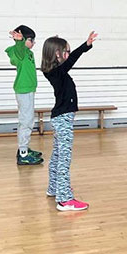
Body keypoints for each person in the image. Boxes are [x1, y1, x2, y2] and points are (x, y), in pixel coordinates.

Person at [41, 30, 98, 212]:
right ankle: (64, 199)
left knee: (57, 156)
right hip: (63, 119)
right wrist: (85, 46)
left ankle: (54, 188)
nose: (68, 54)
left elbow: (69, 58)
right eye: (66, 51)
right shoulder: (57, 71)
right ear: (58, 54)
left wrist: (84, 45)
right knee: (64, 158)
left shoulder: (56, 71)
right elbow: (72, 58)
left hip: (61, 118)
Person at [6, 25, 42, 166]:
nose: (34, 43)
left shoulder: (28, 52)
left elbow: (23, 50)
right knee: (26, 121)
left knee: (28, 119)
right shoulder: (19, 52)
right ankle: (23, 153)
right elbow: (19, 51)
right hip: (24, 91)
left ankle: (24, 148)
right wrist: (18, 41)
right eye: (32, 40)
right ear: (26, 40)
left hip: (29, 90)